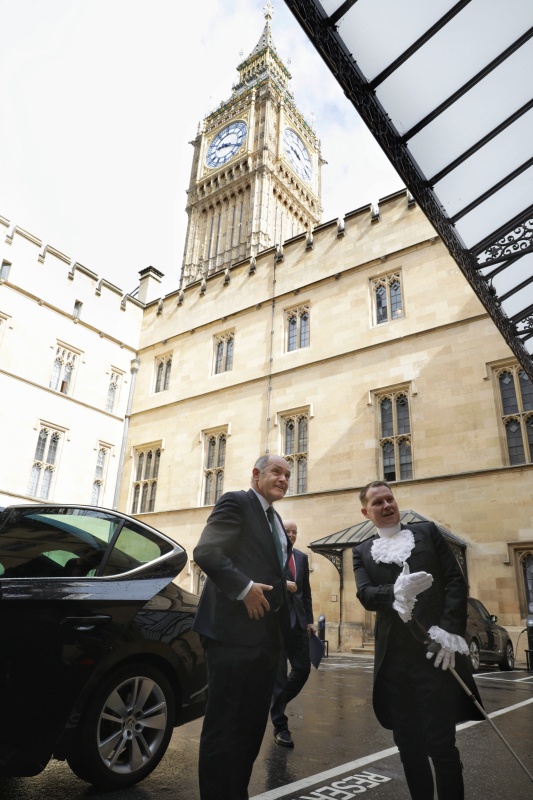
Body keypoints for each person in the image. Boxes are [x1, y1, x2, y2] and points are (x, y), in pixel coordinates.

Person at [352, 481, 484, 800]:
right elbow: (365, 594)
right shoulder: (361, 552)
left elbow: (455, 581)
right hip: (395, 666)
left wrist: (449, 632)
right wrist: (393, 593)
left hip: (434, 658)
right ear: (366, 512)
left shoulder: (427, 533)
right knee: (409, 748)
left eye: (390, 499)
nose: (387, 505)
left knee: (441, 745)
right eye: (378, 502)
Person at [192, 454, 292, 800]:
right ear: (256, 474)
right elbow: (206, 551)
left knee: (250, 731)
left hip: (266, 640)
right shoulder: (236, 501)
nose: (283, 478)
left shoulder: (276, 520)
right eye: (276, 471)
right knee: (224, 729)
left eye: (288, 474)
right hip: (231, 635)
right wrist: (244, 588)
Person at [271, 519, 316, 748]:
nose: (291, 534)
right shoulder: (271, 555)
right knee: (279, 677)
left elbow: (306, 593)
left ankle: (274, 703)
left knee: (303, 669)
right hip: (276, 625)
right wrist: (282, 584)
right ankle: (280, 726)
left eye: (294, 531)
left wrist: (309, 621)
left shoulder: (301, 557)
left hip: (298, 624)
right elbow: (263, 583)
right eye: (287, 531)